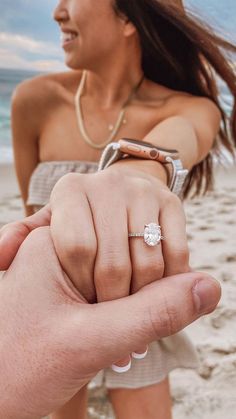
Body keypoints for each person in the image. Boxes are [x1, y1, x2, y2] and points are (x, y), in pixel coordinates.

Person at [10, 0, 236, 418]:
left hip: (138, 304)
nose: (58, 12)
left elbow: (181, 138)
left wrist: (139, 173)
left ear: (130, 16)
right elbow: (32, 216)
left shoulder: (188, 108)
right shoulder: (34, 101)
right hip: (56, 305)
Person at [0, 225, 221, 419]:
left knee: (135, 355)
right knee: (67, 381)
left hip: (136, 267)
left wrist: (146, 176)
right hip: (63, 268)